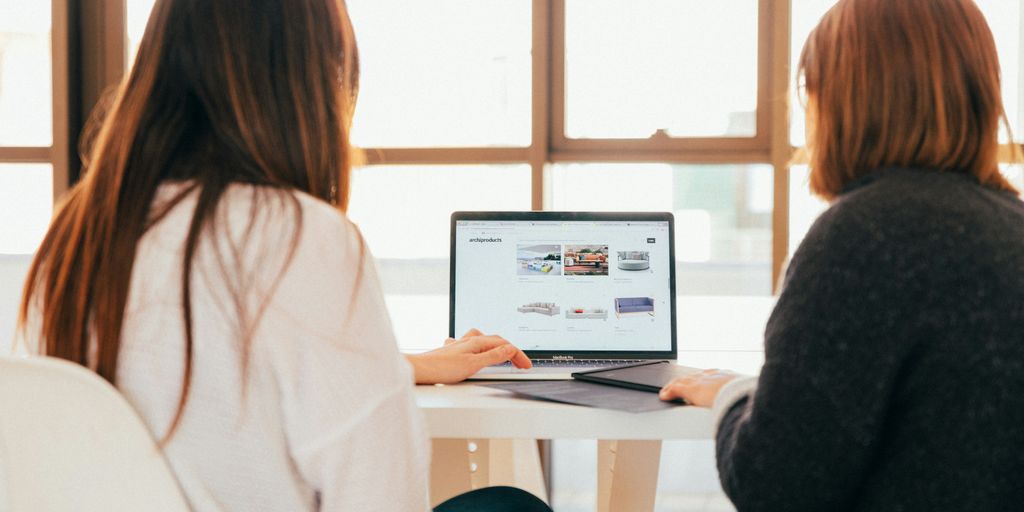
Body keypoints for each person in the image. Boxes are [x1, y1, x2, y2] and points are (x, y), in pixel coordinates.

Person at [16, 1, 550, 511]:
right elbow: (379, 495)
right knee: (511, 505)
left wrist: (404, 366)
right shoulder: (300, 237)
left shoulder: (75, 237)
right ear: (311, 82)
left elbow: (202, 377)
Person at [659, 0, 1024, 510]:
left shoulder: (863, 235)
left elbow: (774, 484)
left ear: (841, 99)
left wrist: (733, 397)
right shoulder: (1012, 223)